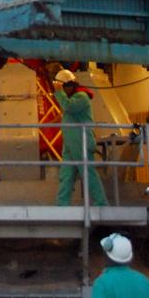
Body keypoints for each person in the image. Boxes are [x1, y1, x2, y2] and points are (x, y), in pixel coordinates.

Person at [53, 68, 107, 206]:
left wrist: (58, 92)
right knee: (66, 175)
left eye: (62, 88)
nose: (62, 91)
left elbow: (68, 107)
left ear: (69, 86)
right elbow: (68, 110)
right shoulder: (72, 98)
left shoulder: (81, 97)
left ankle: (101, 202)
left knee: (88, 172)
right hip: (71, 143)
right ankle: (62, 204)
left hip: (81, 141)